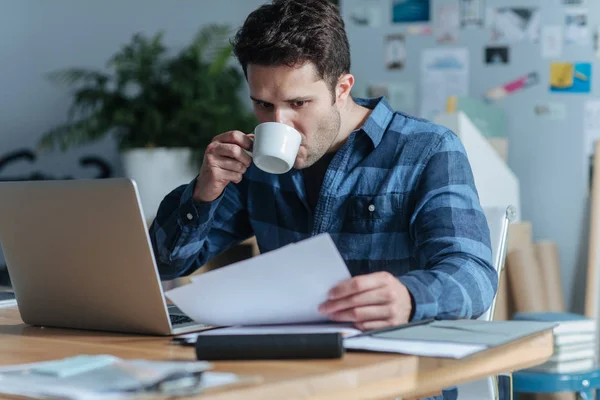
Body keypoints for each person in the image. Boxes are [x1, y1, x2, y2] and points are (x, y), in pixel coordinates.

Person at [151, 0, 495, 341]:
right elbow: (167, 265)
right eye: (263, 104)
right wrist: (203, 195)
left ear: (342, 89)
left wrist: (409, 297)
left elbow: (475, 277)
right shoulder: (254, 166)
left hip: (398, 373)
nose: (279, 123)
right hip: (294, 367)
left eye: (298, 103)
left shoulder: (427, 149)